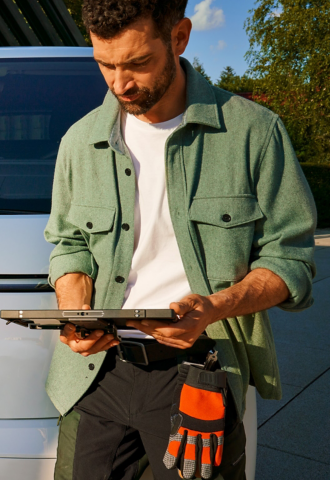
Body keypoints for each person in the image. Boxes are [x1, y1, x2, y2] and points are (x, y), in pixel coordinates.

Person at [44, 1, 317, 479]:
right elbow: (68, 245)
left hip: (201, 372)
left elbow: (290, 258)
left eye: (137, 63)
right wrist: (76, 309)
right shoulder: (79, 141)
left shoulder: (253, 133)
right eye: (105, 65)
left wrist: (214, 307)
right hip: (95, 379)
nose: (119, 84)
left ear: (180, 37)